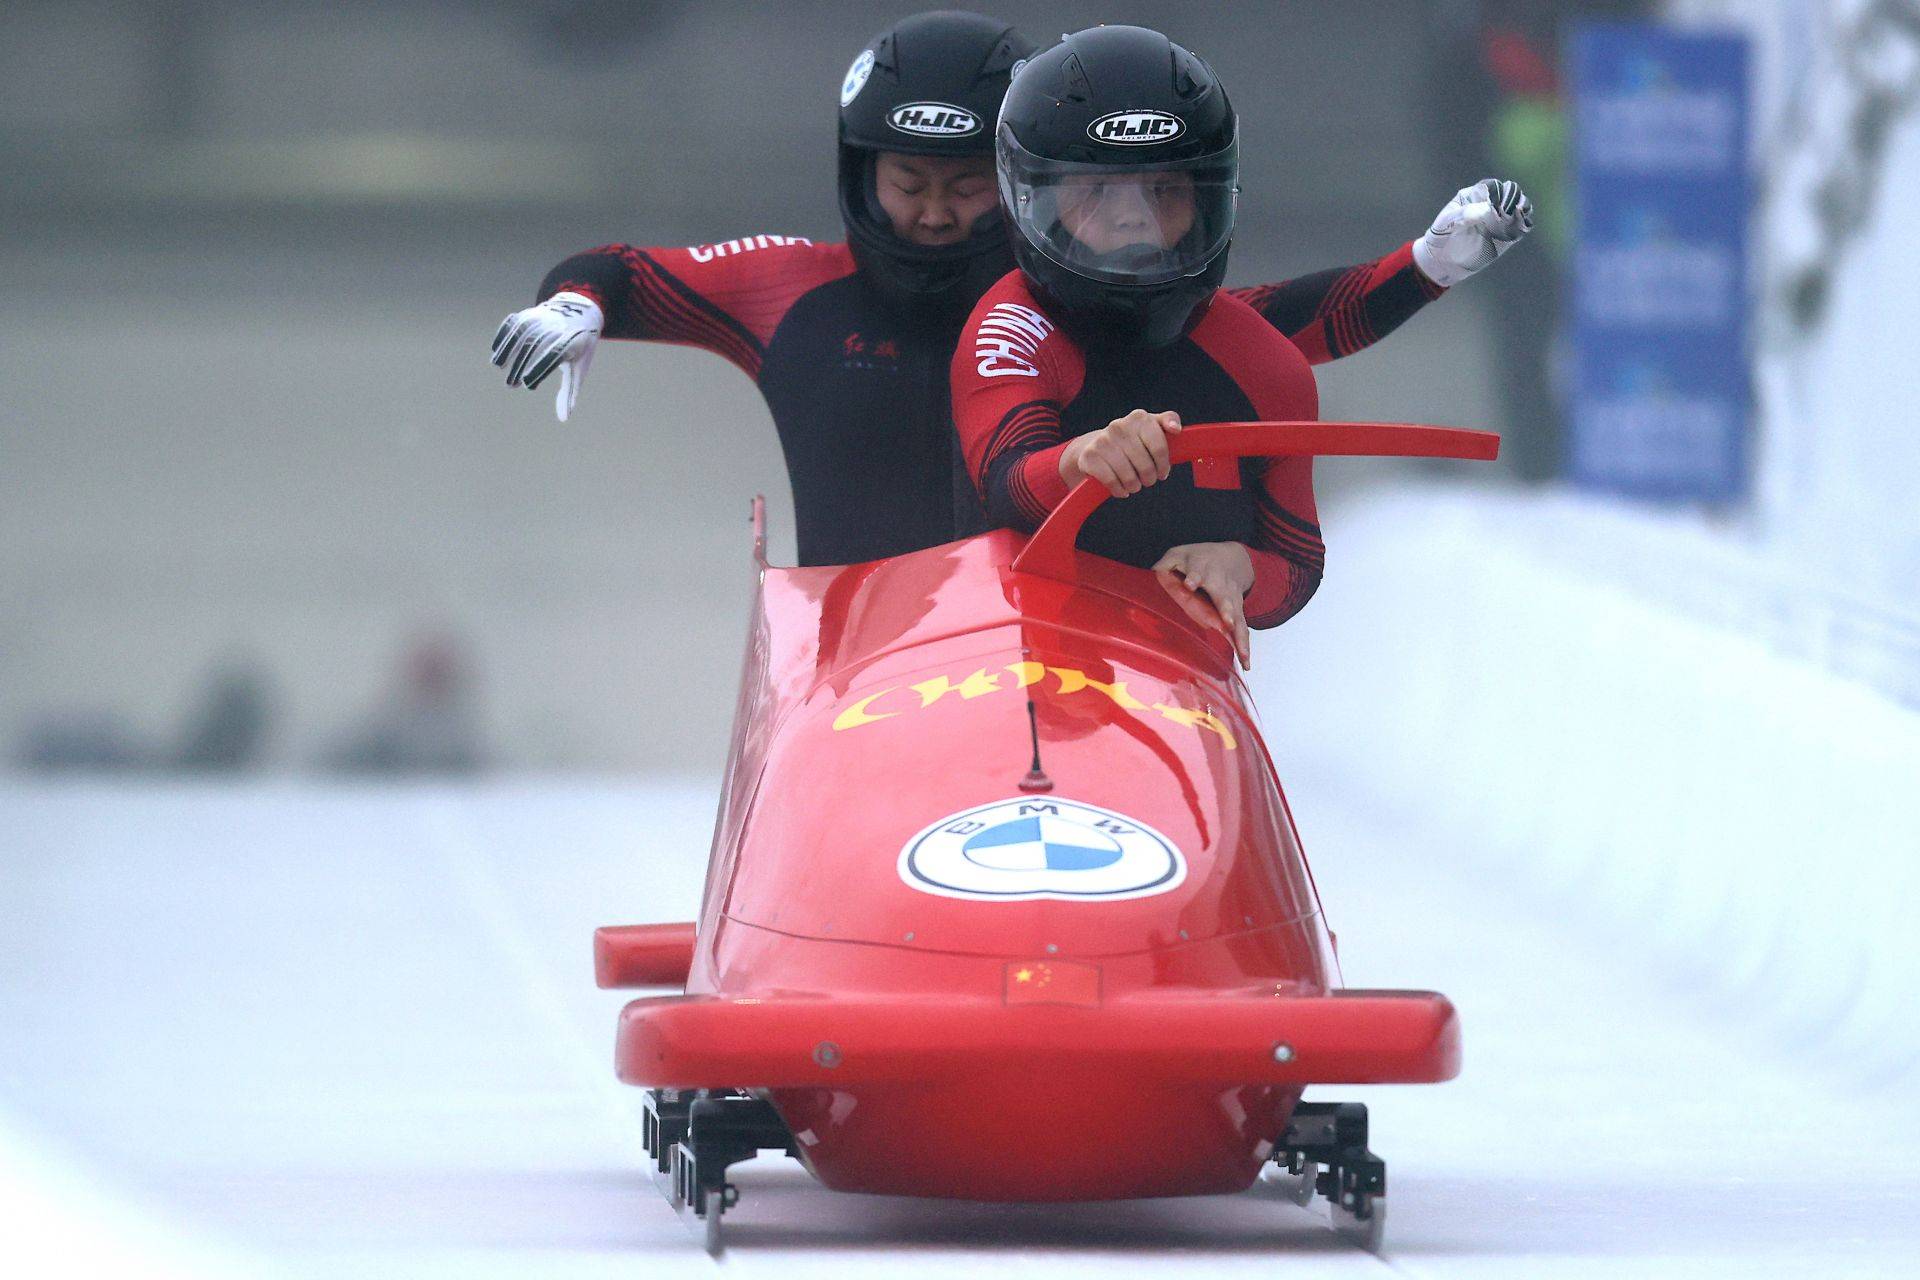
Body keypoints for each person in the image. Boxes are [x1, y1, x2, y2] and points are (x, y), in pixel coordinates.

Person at [490, 10, 1532, 568]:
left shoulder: (1065, 297)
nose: (937, 215)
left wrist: (1425, 267)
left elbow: (1264, 328)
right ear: (864, 175)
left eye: (966, 188)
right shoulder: (796, 288)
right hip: (857, 673)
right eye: (909, 186)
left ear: (1026, 185)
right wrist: (575, 303)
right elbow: (631, 273)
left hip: (1047, 651)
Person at [954, 26, 1530, 667]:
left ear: (1210, 202)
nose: (1133, 219)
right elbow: (1008, 481)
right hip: (995, 662)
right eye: (1096, 193)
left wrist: (1240, 567)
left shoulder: (1264, 365)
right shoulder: (1012, 324)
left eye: (1164, 192)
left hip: (1171, 679)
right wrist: (1084, 458)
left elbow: (1297, 565)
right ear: (1031, 200)